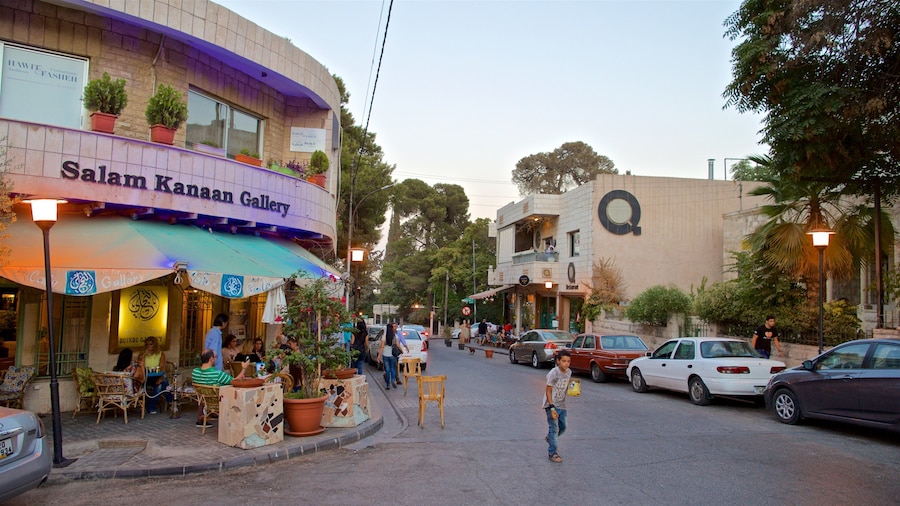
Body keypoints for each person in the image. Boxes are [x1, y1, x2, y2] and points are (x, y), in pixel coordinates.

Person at [192, 348, 248, 427]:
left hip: (205, 401)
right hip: (219, 401)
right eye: (216, 357)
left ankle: (201, 419)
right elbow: (235, 381)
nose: (216, 359)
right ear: (211, 359)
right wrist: (244, 368)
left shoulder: (195, 372)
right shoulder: (217, 374)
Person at [543, 349, 572, 463]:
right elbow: (548, 390)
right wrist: (551, 407)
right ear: (558, 361)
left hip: (562, 404)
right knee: (554, 428)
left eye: (568, 361)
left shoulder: (569, 372)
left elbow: (566, 386)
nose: (566, 363)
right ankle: (552, 453)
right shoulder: (553, 373)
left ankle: (550, 438)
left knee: (563, 426)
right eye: (564, 361)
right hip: (551, 405)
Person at [138, 336, 170, 414]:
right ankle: (171, 401)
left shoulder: (160, 354)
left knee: (161, 384)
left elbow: (162, 367)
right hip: (146, 377)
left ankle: (150, 407)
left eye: (151, 344)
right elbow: (139, 366)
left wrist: (160, 377)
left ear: (155, 345)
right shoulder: (142, 354)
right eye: (147, 345)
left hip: (156, 376)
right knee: (165, 385)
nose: (149, 346)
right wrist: (144, 355)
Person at [378, 322, 407, 390]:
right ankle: (393, 380)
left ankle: (388, 385)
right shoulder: (395, 336)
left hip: (385, 355)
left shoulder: (384, 336)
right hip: (393, 355)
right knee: (393, 369)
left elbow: (382, 347)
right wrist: (402, 351)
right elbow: (398, 345)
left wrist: (379, 355)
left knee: (387, 370)